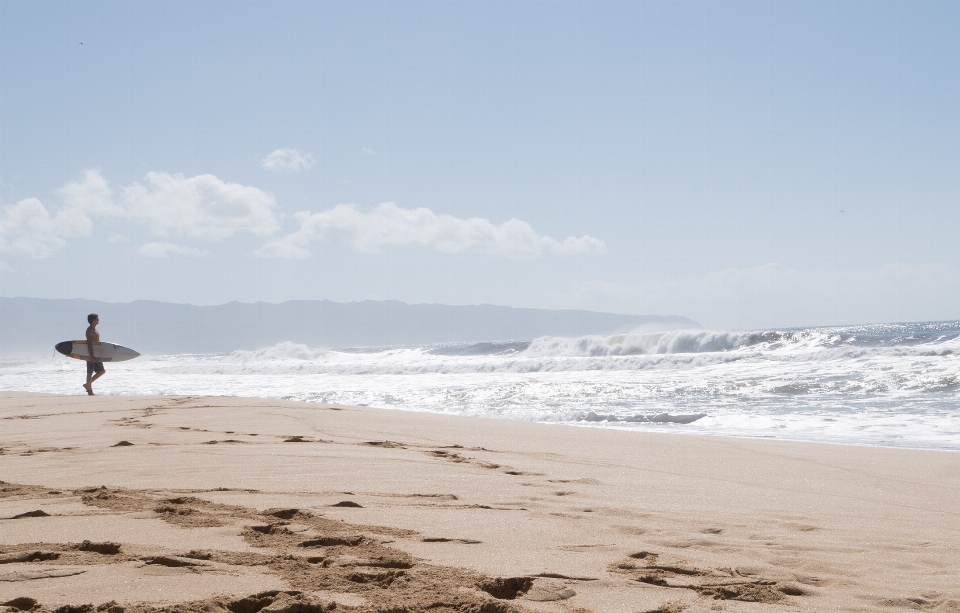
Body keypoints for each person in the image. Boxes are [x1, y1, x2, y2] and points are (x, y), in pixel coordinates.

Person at [83, 313, 104, 395]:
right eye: (97, 319)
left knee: (101, 371)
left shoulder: (94, 329)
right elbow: (89, 344)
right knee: (90, 372)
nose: (98, 320)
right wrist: (91, 356)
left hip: (96, 354)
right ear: (93, 320)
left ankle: (87, 385)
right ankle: (89, 390)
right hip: (91, 354)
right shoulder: (90, 330)